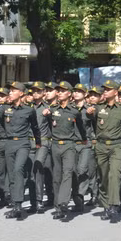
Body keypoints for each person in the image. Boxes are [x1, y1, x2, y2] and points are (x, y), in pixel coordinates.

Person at [86, 80, 121, 222]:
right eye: (104, 89)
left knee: (114, 175)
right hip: (101, 146)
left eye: (108, 89)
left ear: (115, 92)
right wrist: (89, 113)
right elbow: (90, 121)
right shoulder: (98, 108)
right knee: (103, 177)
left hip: (117, 146)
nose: (105, 91)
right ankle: (105, 206)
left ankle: (113, 205)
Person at [0, 82, 40, 219]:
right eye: (10, 90)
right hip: (9, 143)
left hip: (23, 143)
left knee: (18, 169)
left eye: (14, 90)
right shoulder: (5, 109)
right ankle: (16, 206)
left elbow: (35, 127)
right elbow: (0, 120)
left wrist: (38, 142)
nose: (10, 92)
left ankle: (19, 202)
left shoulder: (29, 110)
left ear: (21, 93)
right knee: (12, 175)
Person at [44, 81, 86, 219]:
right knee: (57, 177)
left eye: (63, 91)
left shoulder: (74, 111)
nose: (60, 93)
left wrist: (84, 140)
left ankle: (63, 203)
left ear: (69, 93)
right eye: (58, 91)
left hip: (69, 145)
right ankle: (59, 207)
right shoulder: (52, 110)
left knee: (67, 172)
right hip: (55, 145)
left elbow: (81, 127)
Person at [28, 82, 50, 213]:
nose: (35, 93)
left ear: (44, 93)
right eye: (33, 91)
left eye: (38, 91)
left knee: (37, 168)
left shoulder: (48, 108)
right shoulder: (27, 107)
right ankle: (33, 202)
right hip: (29, 142)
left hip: (43, 142)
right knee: (30, 172)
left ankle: (39, 200)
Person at [71, 84, 94, 212]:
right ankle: (76, 198)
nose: (76, 93)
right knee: (73, 171)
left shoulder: (89, 110)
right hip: (72, 143)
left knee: (82, 169)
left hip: (85, 144)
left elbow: (96, 126)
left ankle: (80, 194)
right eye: (75, 91)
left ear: (85, 94)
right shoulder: (69, 108)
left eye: (80, 92)